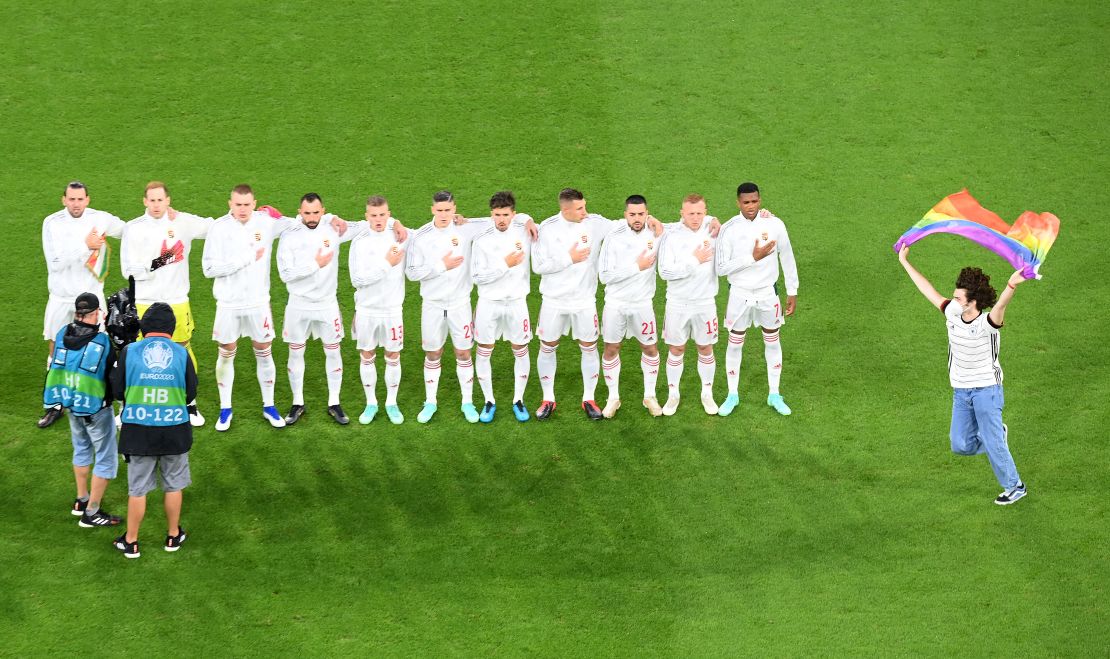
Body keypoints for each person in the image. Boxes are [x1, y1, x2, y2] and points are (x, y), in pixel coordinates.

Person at [898, 246, 1028, 505]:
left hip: (986, 390)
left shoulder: (988, 324)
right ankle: (996, 437)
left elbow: (1001, 304)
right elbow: (927, 289)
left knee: (991, 442)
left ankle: (1015, 486)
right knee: (960, 445)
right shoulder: (951, 312)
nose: (953, 301)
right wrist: (904, 261)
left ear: (973, 302)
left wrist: (1012, 285)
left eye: (958, 299)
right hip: (961, 391)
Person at [406, 191, 533, 424]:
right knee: (433, 353)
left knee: (464, 353)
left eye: (448, 209)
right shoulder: (421, 235)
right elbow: (411, 272)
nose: (444, 214)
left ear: (455, 209)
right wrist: (440, 266)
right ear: (432, 209)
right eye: (440, 210)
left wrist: (527, 219)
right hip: (432, 305)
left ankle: (468, 402)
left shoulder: (468, 227)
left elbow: (510, 217)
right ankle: (430, 402)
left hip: (460, 304)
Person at [201, 184, 310, 431]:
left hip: (258, 303)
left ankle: (269, 406)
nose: (242, 209)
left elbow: (300, 221)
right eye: (238, 204)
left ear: (254, 203)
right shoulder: (219, 228)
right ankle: (225, 409)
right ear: (230, 203)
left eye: (247, 205)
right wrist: (244, 259)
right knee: (226, 352)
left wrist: (279, 214)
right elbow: (209, 269)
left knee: (264, 350)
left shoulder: (266, 222)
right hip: (228, 304)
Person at [120, 181, 213, 426]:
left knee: (182, 347)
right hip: (144, 300)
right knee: (138, 352)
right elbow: (127, 270)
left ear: (168, 200)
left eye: (160, 200)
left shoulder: (182, 222)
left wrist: (261, 218)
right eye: (152, 200)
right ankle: (132, 402)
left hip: (176, 299)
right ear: (144, 201)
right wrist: (160, 262)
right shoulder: (133, 228)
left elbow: (215, 227)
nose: (156, 205)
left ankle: (189, 403)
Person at [111, 303, 197, 558]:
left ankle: (131, 541)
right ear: (171, 329)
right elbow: (191, 393)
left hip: (138, 430)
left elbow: (117, 391)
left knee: (137, 489)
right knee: (173, 486)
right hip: (174, 429)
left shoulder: (129, 351)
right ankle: (172, 536)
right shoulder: (181, 354)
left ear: (143, 327)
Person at [40, 181, 126, 429]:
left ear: (88, 199)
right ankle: (54, 404)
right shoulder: (52, 223)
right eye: (71, 199)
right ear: (63, 200)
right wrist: (85, 246)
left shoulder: (100, 218)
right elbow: (55, 262)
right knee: (56, 347)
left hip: (90, 299)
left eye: (80, 199)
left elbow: (128, 230)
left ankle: (97, 399)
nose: (76, 204)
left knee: (97, 349)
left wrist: (165, 218)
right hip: (61, 297)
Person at [276, 193, 366, 425]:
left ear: (323, 210)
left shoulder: (333, 228)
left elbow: (369, 224)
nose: (312, 217)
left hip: (327, 304)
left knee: (333, 351)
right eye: (307, 213)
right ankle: (297, 403)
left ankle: (334, 403)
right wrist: (316, 264)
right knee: (296, 352)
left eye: (316, 212)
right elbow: (285, 274)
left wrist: (394, 222)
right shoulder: (289, 236)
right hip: (298, 304)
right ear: (300, 211)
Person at [716, 182, 798, 417]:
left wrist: (792, 290)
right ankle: (732, 395)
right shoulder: (729, 229)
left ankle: (774, 394)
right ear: (738, 203)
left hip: (767, 293)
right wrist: (752, 258)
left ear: (760, 200)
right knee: (735, 343)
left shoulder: (774, 224)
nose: (751, 206)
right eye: (746, 202)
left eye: (754, 201)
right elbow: (721, 268)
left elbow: (787, 256)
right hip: (739, 294)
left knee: (772, 341)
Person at [43, 293, 122, 527]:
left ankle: (81, 499)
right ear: (97, 313)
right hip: (96, 409)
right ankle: (92, 512)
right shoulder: (101, 342)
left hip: (70, 405)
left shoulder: (62, 333)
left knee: (81, 449)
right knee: (106, 459)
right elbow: (114, 377)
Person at [470, 191, 535, 423]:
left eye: (506, 215)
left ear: (513, 214)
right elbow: (477, 276)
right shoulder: (482, 239)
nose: (501, 220)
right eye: (497, 215)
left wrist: (527, 219)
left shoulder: (524, 231)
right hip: (489, 303)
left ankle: (518, 399)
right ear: (491, 215)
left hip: (517, 302)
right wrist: (504, 264)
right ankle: (489, 401)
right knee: (484, 350)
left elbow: (532, 221)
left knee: (521, 349)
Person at [598, 195, 663, 418]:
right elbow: (604, 276)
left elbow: (688, 223)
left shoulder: (656, 233)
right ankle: (613, 398)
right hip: (615, 305)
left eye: (641, 214)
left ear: (647, 213)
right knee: (611, 349)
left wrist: (712, 219)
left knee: (651, 349)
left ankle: (649, 396)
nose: (637, 219)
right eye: (632, 214)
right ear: (625, 214)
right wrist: (637, 266)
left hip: (643, 304)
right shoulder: (613, 237)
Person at [657, 194, 720, 416]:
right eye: (691, 213)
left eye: (700, 213)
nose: (695, 218)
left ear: (706, 213)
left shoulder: (713, 232)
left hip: (705, 303)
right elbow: (664, 272)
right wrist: (694, 260)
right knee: (676, 349)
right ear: (681, 214)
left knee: (705, 348)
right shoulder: (670, 237)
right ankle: (673, 394)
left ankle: (707, 393)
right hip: (678, 304)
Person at [349, 195, 408, 425]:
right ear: (366, 217)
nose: (378, 220)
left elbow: (431, 228)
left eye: (383, 215)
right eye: (373, 215)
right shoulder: (360, 241)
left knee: (393, 355)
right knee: (367, 355)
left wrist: (397, 224)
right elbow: (357, 279)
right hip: (367, 310)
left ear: (389, 214)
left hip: (393, 310)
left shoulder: (401, 236)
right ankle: (371, 403)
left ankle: (391, 403)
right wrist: (387, 264)